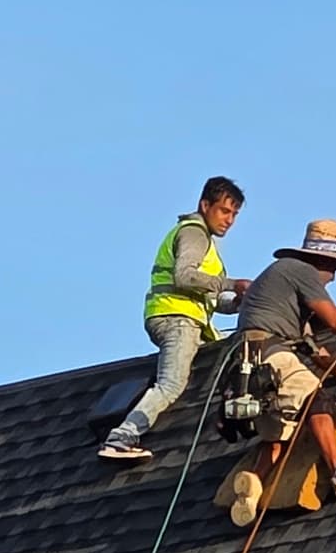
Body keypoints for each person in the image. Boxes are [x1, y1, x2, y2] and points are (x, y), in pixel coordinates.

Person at [224, 218, 336, 526]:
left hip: (248, 365)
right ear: (322, 258)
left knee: (278, 435)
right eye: (335, 266)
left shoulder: (279, 284)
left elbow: (309, 345)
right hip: (271, 353)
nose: (334, 276)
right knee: (314, 399)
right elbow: (335, 320)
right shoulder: (301, 270)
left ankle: (252, 488)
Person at [98, 178, 249, 463]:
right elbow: (184, 276)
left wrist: (238, 302)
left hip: (181, 318)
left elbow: (208, 299)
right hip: (177, 319)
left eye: (234, 215)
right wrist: (233, 283)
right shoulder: (195, 234)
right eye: (224, 211)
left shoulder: (202, 240)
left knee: (220, 357)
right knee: (171, 384)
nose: (229, 220)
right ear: (205, 206)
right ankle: (122, 437)